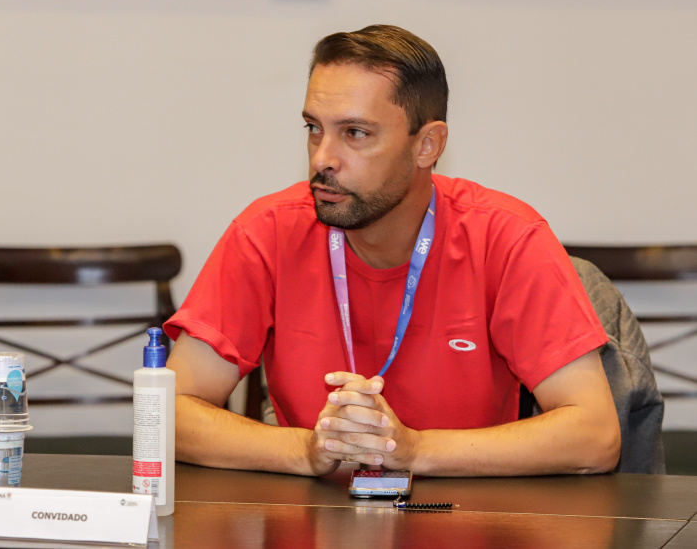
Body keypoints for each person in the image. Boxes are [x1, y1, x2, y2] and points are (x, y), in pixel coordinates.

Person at [163, 24, 621, 477]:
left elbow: (595, 436)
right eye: (313, 128)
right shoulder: (266, 233)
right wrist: (303, 450)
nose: (323, 157)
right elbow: (167, 414)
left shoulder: (507, 238)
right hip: (313, 522)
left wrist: (414, 450)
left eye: (356, 133)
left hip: (466, 520)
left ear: (427, 145)